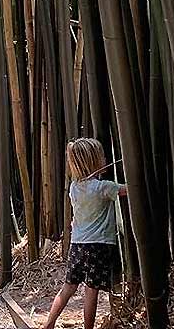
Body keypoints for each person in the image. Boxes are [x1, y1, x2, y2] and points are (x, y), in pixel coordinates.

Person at [42, 137, 127, 329]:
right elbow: (130, 190)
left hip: (77, 245)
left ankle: (49, 324)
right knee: (91, 291)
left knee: (68, 287)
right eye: (102, 156)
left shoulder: (74, 188)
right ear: (93, 162)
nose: (105, 159)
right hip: (98, 246)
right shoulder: (104, 187)